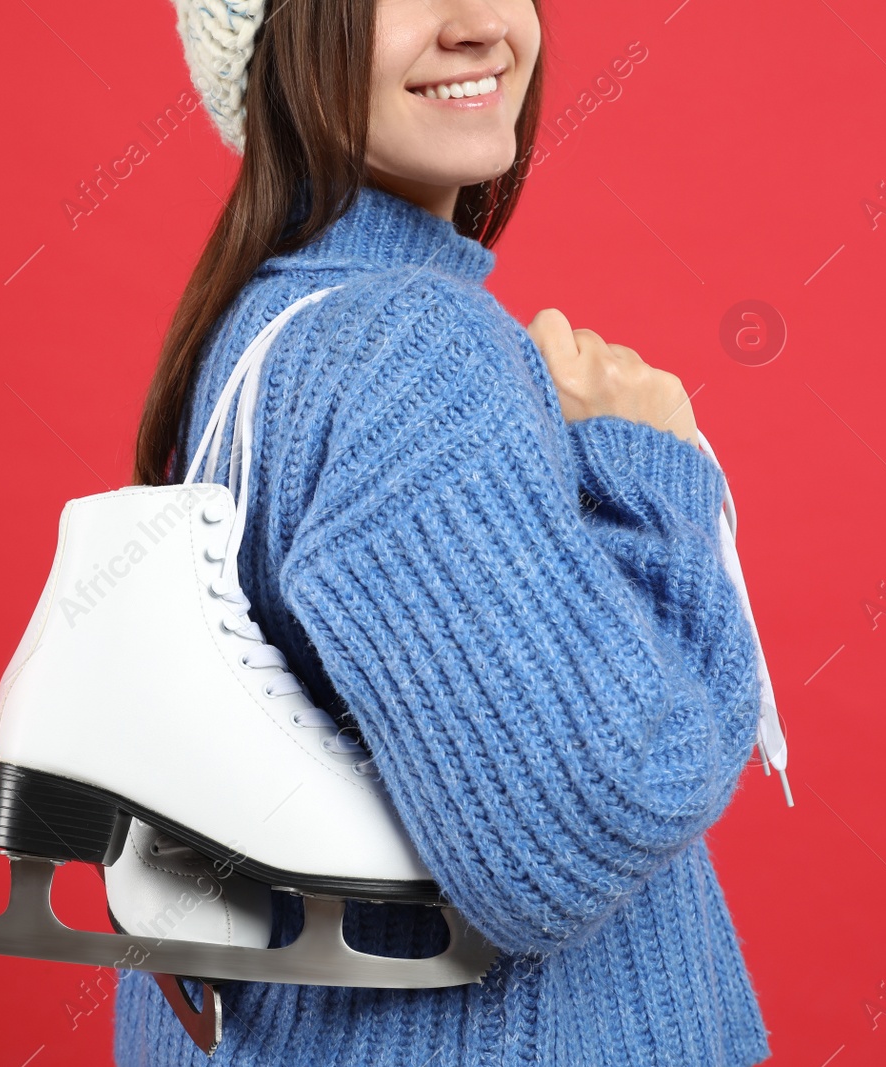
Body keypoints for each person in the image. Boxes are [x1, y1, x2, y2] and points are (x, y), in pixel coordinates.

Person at [121, 0, 771, 1063]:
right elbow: (581, 823)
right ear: (279, 47)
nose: (480, 25)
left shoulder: (255, 336)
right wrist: (656, 471)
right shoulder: (411, 350)